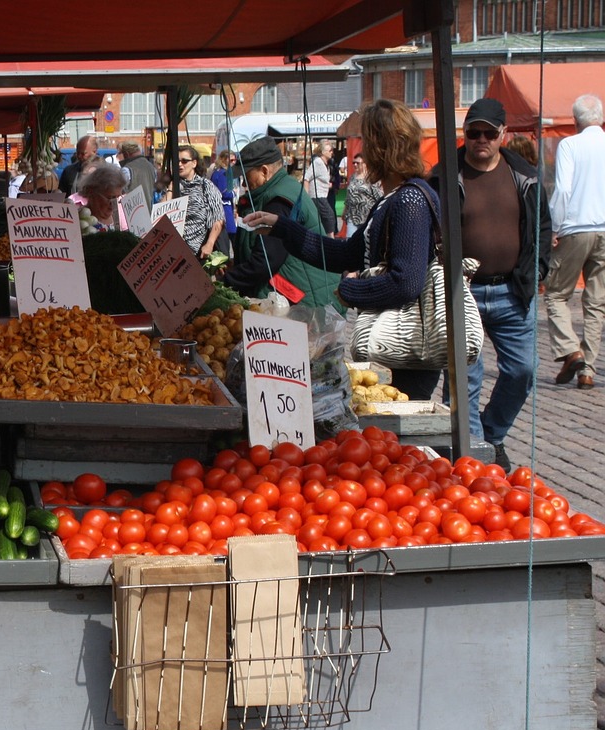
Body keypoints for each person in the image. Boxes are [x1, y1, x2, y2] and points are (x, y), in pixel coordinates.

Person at [245, 100, 442, 398]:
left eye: (366, 140)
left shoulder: (409, 201)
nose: (360, 150)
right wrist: (282, 227)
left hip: (407, 346)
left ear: (381, 148)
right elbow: (347, 254)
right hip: (394, 344)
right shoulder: (393, 198)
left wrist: (353, 290)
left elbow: (406, 282)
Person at [429, 97, 551, 472]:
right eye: (473, 133)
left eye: (488, 133)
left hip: (512, 290)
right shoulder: (445, 175)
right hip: (462, 290)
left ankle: (491, 434)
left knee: (523, 370)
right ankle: (474, 454)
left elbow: (542, 228)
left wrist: (539, 270)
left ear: (504, 135)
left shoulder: (525, 175)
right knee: (465, 378)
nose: (480, 139)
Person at [223, 138, 340, 311]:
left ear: (264, 171)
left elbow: (266, 261)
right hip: (295, 296)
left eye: (246, 176)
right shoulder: (282, 188)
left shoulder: (279, 200)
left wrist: (224, 282)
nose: (243, 182)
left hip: (302, 301)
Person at [544, 93, 605, 389]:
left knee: (556, 294)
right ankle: (587, 370)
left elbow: (564, 190)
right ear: (601, 118)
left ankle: (571, 351)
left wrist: (554, 228)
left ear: (576, 120)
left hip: (576, 227)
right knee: (595, 303)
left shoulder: (570, 144)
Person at [171, 145, 224, 259]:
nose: (180, 164)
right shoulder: (172, 186)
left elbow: (218, 218)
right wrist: (170, 187)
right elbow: (160, 215)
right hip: (174, 251)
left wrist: (209, 244)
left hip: (199, 252)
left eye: (184, 161)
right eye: (177, 161)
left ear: (194, 163)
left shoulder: (205, 185)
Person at [74, 163, 128, 233]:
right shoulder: (79, 222)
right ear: (92, 193)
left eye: (118, 198)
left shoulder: (117, 218)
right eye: (110, 198)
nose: (114, 204)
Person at [304, 139, 339, 237]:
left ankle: (323, 238)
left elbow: (319, 179)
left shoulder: (326, 164)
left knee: (322, 218)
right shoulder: (318, 162)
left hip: (322, 195)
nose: (332, 152)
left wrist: (329, 185)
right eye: (330, 150)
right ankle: (330, 238)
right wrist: (306, 197)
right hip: (317, 196)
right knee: (329, 215)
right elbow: (306, 177)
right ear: (323, 152)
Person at [343, 152, 382, 235]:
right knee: (350, 241)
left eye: (358, 163)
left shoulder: (372, 178)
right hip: (352, 216)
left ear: (365, 164)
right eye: (354, 163)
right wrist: (345, 210)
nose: (355, 165)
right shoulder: (352, 177)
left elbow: (379, 197)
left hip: (367, 216)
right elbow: (348, 196)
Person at [209, 150, 239, 254]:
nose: (233, 162)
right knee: (230, 240)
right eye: (231, 160)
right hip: (224, 209)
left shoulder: (217, 173)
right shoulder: (222, 174)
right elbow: (224, 193)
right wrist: (234, 193)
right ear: (223, 160)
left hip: (224, 209)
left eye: (235, 160)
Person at [117, 141, 157, 211]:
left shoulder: (127, 169)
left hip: (132, 213)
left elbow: (118, 191)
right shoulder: (151, 166)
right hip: (149, 211)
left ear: (126, 154)